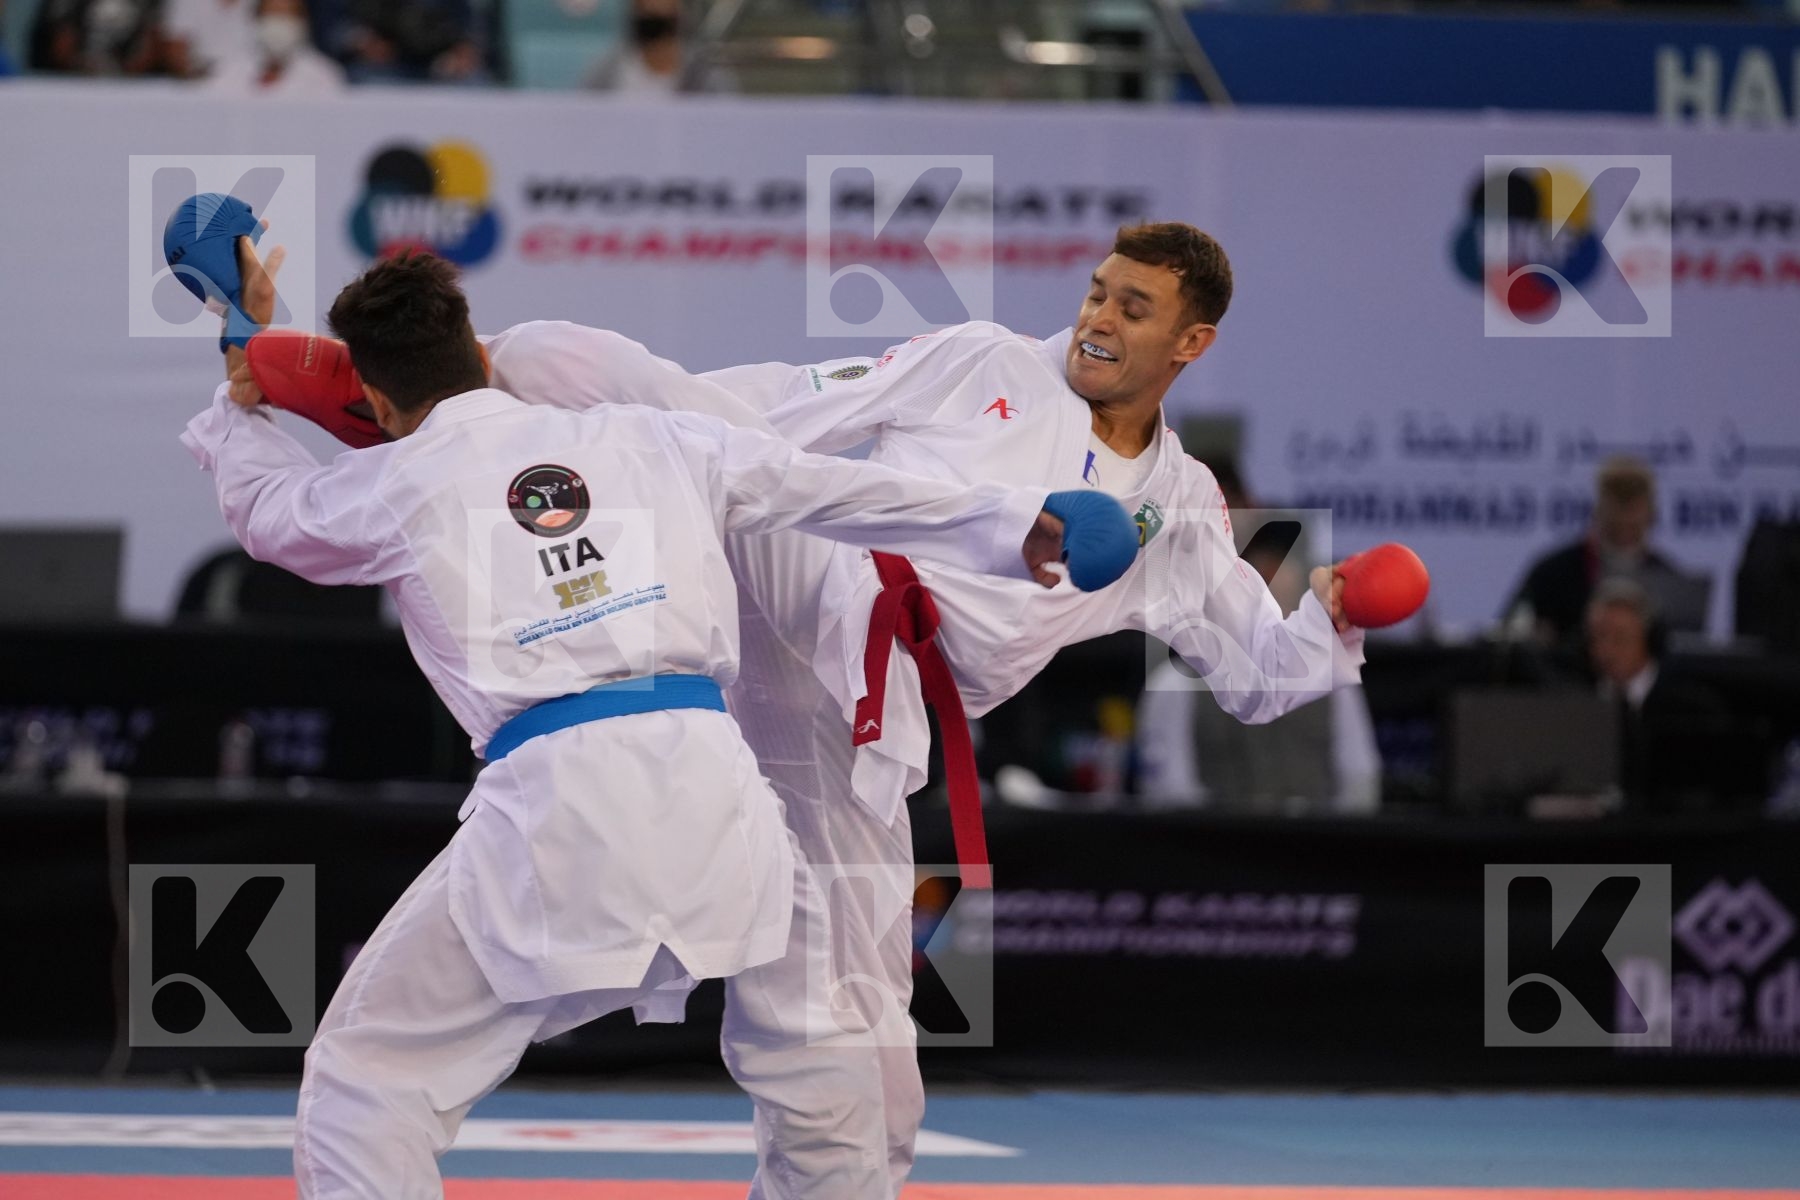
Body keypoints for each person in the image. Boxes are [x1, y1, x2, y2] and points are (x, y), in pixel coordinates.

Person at [250, 221, 1367, 1196]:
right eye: (1095, 292)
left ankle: (447, 419)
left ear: (1191, 343)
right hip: (808, 577)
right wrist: (608, 431)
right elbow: (786, 412)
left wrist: (1334, 620)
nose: (1097, 318)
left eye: (1133, 308)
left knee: (868, 1059)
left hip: (866, 724)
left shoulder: (1182, 508)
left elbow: (1262, 679)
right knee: (586, 363)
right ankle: (449, 414)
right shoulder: (985, 358)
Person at [1137, 513, 1380, 813]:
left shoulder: (1332, 681)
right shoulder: (1176, 684)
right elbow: (1169, 793)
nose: (1276, 579)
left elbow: (1359, 781)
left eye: (1284, 566)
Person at [1506, 455, 1700, 644]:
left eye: (1633, 526)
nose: (1624, 533)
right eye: (1616, 525)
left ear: (1650, 518)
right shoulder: (1552, 573)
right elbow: (1509, 637)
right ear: (1599, 513)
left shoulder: (1666, 577)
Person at [1585, 578, 1729, 813]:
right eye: (1599, 637)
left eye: (1620, 638)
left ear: (1649, 638)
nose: (1606, 651)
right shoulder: (1577, 701)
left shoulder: (1691, 708)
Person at [200, 0, 345, 94]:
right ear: (256, 20)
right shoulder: (230, 70)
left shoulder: (323, 75)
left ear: (302, 22)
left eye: (287, 15)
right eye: (272, 14)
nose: (278, 22)